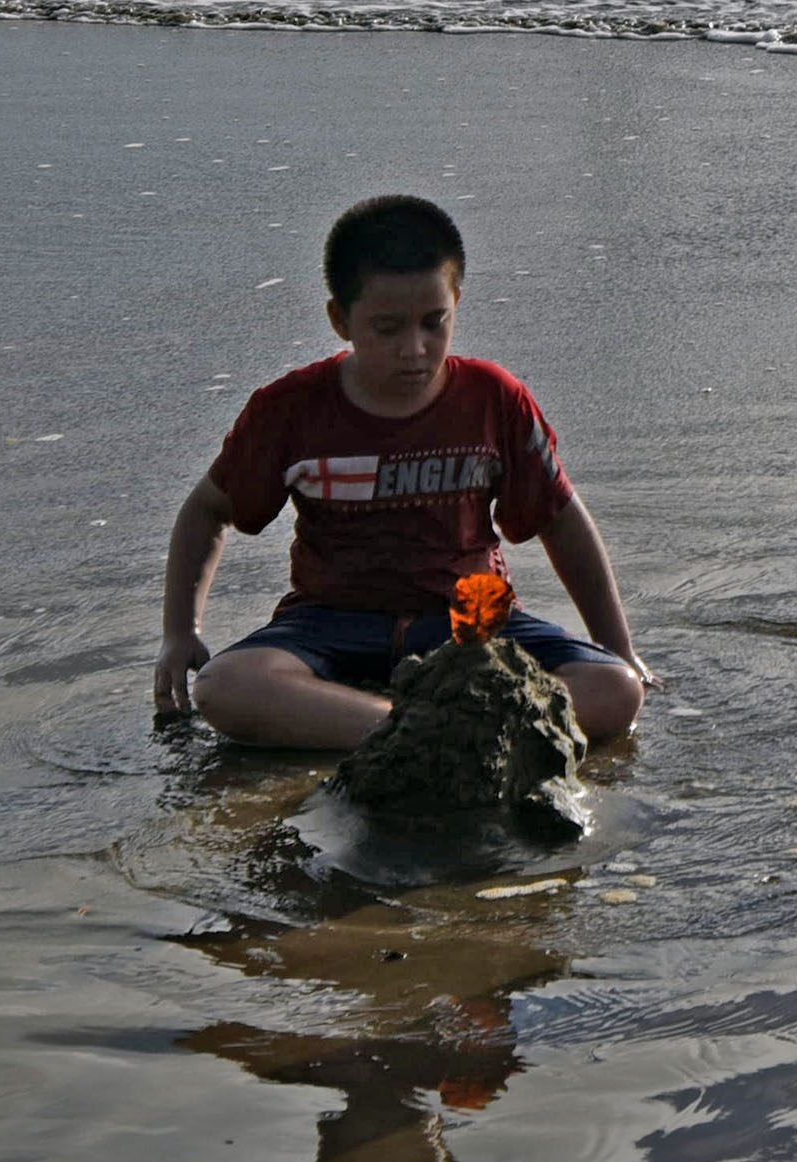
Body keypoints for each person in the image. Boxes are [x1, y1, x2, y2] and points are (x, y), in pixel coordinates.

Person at [154, 194, 650, 748]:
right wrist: (181, 633)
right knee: (225, 686)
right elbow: (208, 511)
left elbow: (562, 520)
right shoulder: (288, 409)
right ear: (341, 320)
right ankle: (408, 724)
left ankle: (398, 726)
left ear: (456, 301)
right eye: (387, 329)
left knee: (616, 689)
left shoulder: (493, 399)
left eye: (434, 323)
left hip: (472, 620)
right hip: (330, 622)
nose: (415, 349)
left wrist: (618, 646)